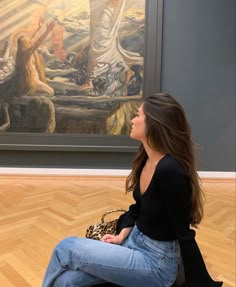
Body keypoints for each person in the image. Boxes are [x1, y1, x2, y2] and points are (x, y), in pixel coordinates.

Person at [42, 93, 223, 287]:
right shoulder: (147, 158)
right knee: (66, 281)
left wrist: (201, 282)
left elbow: (182, 231)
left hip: (156, 263)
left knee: (66, 248)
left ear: (154, 123)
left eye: (138, 115)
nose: (132, 120)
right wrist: (121, 235)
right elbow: (140, 208)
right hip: (134, 241)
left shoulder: (170, 170)